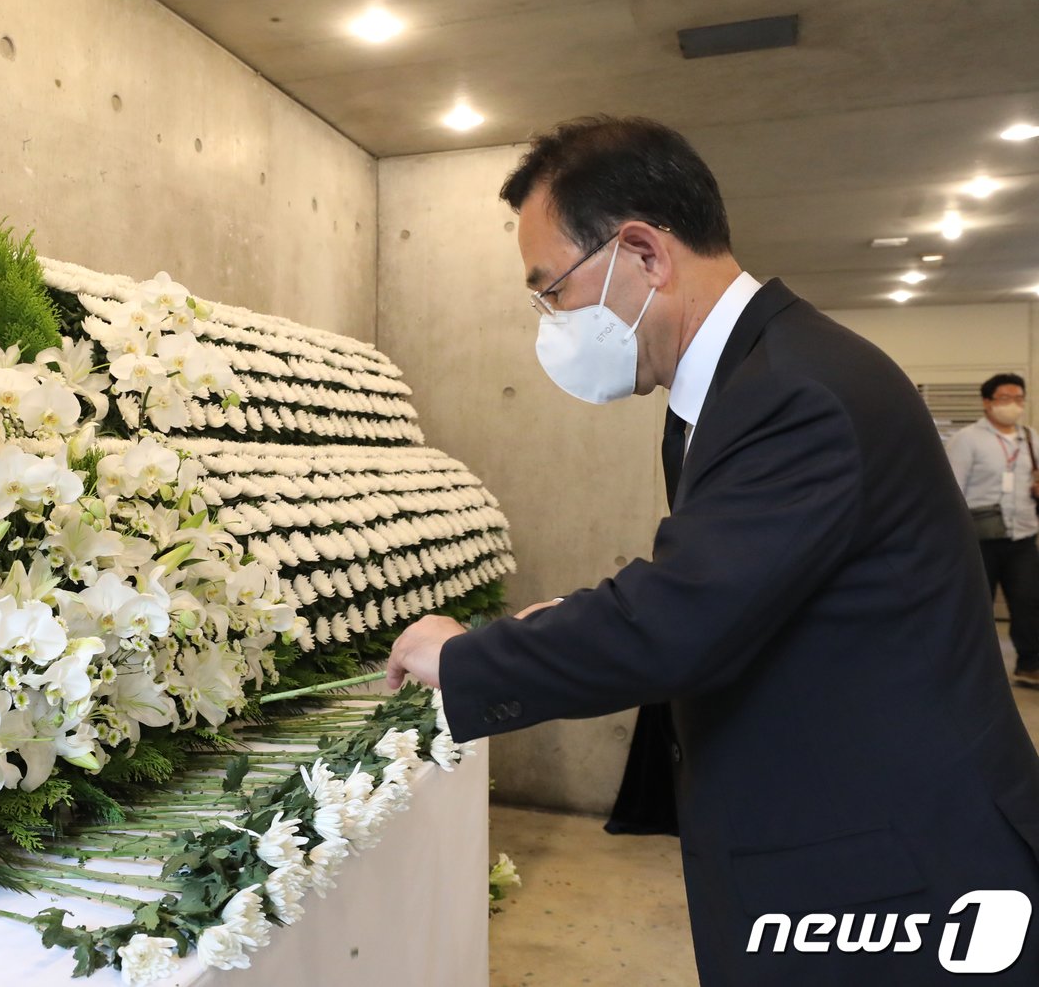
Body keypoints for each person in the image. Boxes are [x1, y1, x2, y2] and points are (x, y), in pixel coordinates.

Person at [385, 117, 1039, 984]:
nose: (550, 322)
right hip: (837, 832)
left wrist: (467, 658)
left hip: (893, 863)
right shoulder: (737, 385)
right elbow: (733, 580)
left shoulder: (794, 391)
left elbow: (678, 622)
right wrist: (572, 619)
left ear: (644, 253)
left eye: (552, 291)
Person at [946, 373, 1039, 687]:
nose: (1013, 404)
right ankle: (970, 670)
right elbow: (953, 489)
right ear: (987, 402)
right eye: (1005, 398)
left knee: (1029, 602)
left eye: (1018, 398)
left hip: (1022, 535)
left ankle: (1029, 665)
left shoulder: (1031, 438)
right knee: (975, 604)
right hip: (979, 539)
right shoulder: (967, 439)